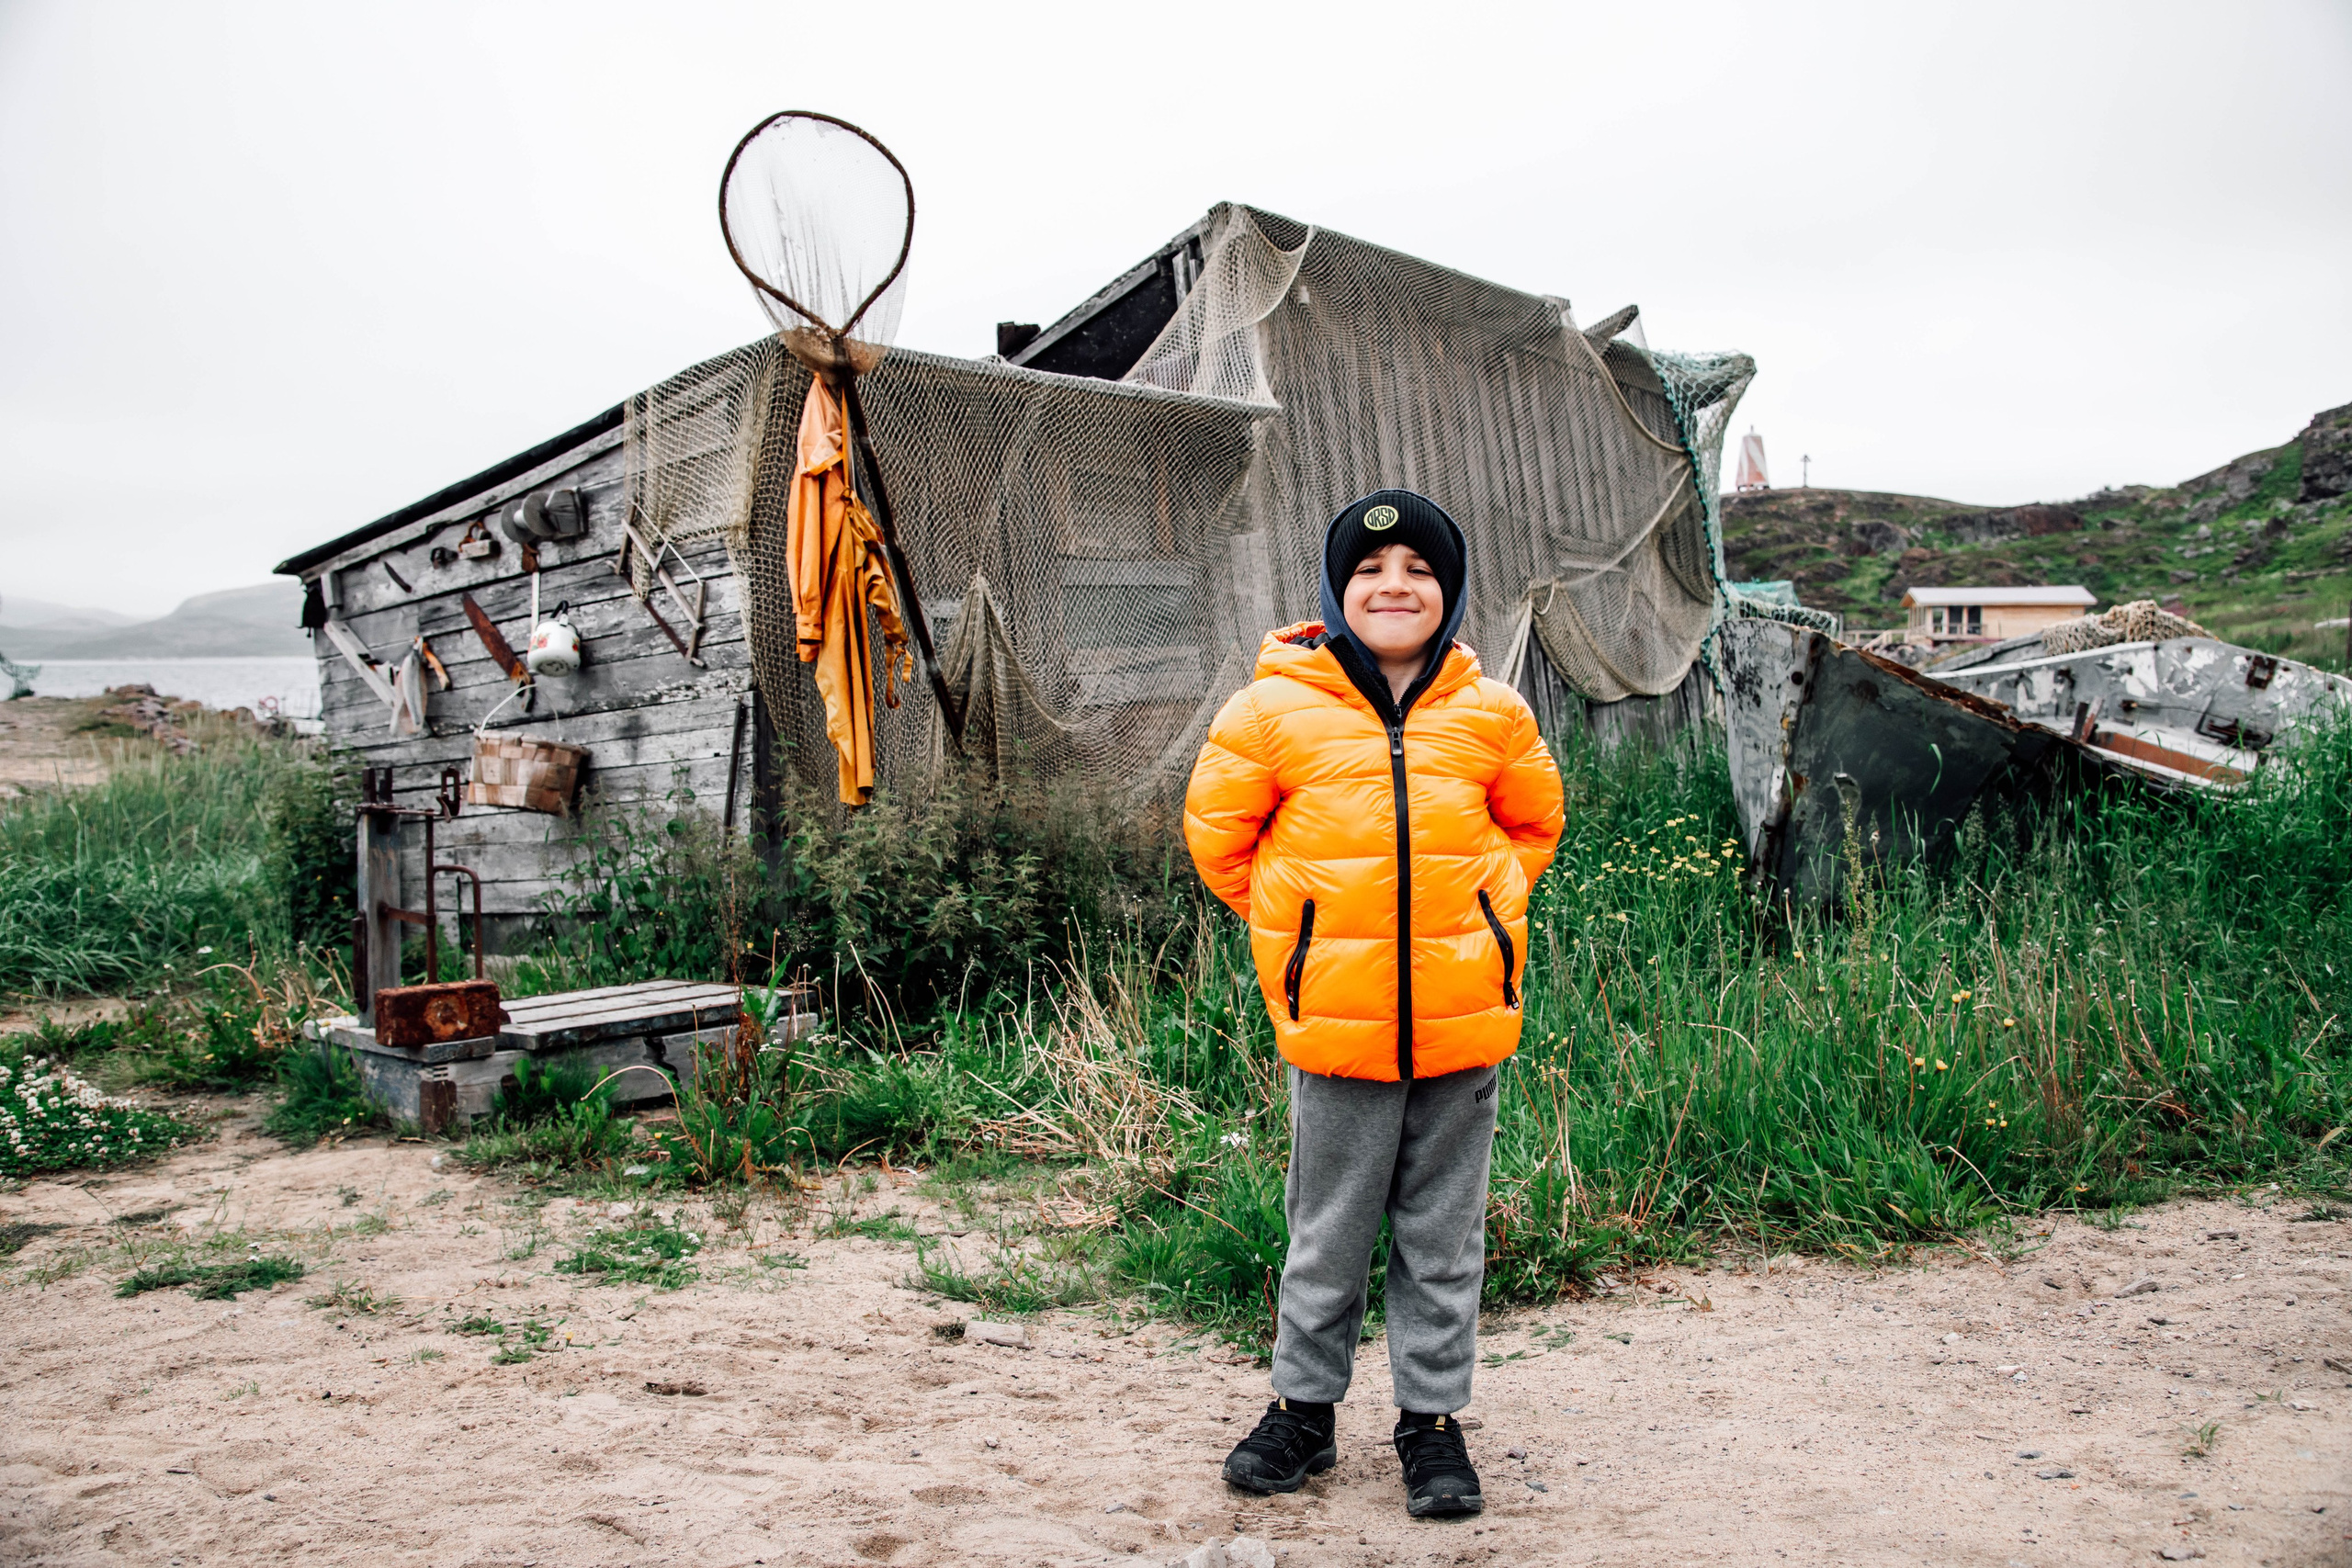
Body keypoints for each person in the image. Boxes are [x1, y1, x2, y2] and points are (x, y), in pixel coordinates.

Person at [1183, 489, 1565, 1519]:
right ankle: (1302, 1413)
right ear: (1334, 592)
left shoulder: (1493, 715)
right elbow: (1220, 841)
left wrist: (1486, 914)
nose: (1394, 588)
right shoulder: (1270, 710)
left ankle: (1430, 1425)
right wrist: (1302, 934)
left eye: (1419, 574)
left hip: (1461, 1025)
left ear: (1451, 594)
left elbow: (1533, 828)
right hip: (1337, 1031)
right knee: (1329, 1231)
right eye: (1370, 573)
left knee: (1444, 1239)